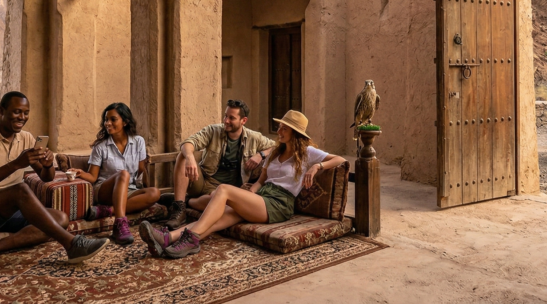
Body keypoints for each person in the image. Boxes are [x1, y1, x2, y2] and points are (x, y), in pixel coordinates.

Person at [140, 110, 345, 258]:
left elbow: (340, 160)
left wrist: (316, 167)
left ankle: (191, 239)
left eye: (285, 128)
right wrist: (252, 191)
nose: (279, 130)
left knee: (223, 190)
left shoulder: (307, 153)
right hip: (262, 197)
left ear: (295, 133)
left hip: (280, 204)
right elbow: (263, 179)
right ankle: (169, 238)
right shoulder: (275, 151)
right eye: (280, 126)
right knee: (220, 215)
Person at [0, 91, 107, 263]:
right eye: (17, 111)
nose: (22, 117)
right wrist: (16, 164)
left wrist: (48, 165)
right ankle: (71, 244)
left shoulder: (26, 138)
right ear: (1, 111)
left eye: (26, 113)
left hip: (8, 211)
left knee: (60, 218)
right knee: (20, 189)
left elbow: (46, 177)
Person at [164, 100, 276, 229]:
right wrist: (190, 157)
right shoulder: (213, 130)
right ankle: (179, 209)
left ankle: (184, 201)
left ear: (243, 120)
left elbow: (276, 146)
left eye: (231, 118)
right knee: (182, 156)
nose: (226, 120)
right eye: (225, 116)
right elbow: (188, 143)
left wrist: (260, 154)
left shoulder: (254, 137)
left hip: (222, 191)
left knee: (223, 203)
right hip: (202, 181)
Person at [68, 103, 161, 245]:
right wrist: (80, 173)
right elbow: (93, 177)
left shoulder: (138, 142)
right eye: (106, 120)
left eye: (113, 119)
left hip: (129, 190)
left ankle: (107, 211)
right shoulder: (100, 147)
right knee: (123, 174)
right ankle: (119, 224)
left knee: (155, 193)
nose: (108, 123)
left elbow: (141, 171)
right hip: (104, 191)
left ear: (125, 122)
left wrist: (146, 178)